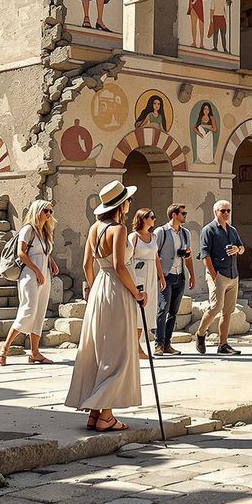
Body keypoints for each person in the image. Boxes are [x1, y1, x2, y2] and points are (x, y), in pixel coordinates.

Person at [65, 181, 145, 432]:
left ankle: (95, 412)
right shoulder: (119, 229)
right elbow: (121, 266)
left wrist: (91, 287)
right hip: (117, 290)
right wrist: (137, 294)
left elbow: (87, 265)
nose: (130, 203)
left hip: (100, 286)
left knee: (99, 348)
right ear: (121, 204)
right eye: (128, 200)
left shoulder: (94, 228)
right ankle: (106, 415)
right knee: (117, 352)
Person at [0, 199, 59, 366]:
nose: (49, 214)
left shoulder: (45, 231)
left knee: (39, 313)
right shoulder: (28, 229)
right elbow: (21, 253)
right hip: (30, 274)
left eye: (50, 211)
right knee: (28, 310)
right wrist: (37, 271)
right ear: (37, 211)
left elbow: (44, 251)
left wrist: (51, 263)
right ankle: (5, 346)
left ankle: (34, 352)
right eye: (46, 211)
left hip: (44, 274)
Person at [196, 200, 245, 355]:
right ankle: (201, 333)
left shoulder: (232, 230)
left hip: (233, 274)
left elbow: (242, 248)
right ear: (215, 212)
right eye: (223, 211)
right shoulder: (208, 230)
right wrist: (213, 274)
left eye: (228, 211)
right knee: (215, 307)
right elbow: (205, 254)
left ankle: (223, 344)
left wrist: (238, 249)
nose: (226, 214)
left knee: (228, 311)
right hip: (218, 274)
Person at [153, 204, 195, 355]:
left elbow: (189, 255)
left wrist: (191, 275)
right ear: (174, 215)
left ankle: (167, 344)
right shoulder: (161, 232)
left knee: (173, 312)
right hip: (166, 275)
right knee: (162, 309)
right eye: (183, 213)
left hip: (180, 275)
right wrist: (160, 276)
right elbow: (154, 255)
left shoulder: (185, 233)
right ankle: (159, 343)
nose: (186, 215)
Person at [127, 208, 166, 360]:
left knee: (148, 309)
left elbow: (156, 257)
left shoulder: (154, 236)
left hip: (151, 275)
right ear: (142, 219)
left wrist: (161, 276)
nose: (154, 219)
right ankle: (136, 347)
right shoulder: (133, 237)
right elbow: (128, 257)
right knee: (138, 310)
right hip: (138, 275)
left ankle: (137, 346)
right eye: (151, 217)